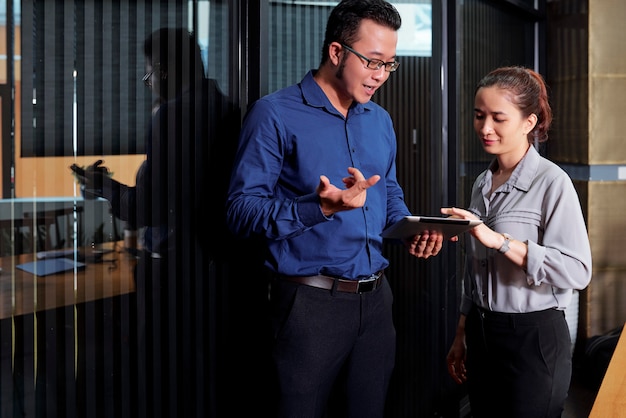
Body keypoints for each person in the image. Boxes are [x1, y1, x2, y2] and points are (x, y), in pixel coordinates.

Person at [225, 1, 443, 416]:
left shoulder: (379, 120)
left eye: (389, 65)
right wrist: (318, 208)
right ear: (337, 52)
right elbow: (240, 212)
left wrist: (410, 228)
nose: (381, 75)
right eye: (373, 61)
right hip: (308, 307)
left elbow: (388, 195)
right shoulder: (274, 114)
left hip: (376, 303)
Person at [76, 27, 239, 416]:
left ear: (164, 71)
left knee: (166, 377)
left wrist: (103, 187)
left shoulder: (172, 116)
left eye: (148, 74)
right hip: (221, 273)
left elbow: (147, 209)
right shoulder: (230, 109)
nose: (148, 83)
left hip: (176, 273)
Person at [443, 66, 592, 418]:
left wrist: (502, 243)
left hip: (533, 337)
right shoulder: (482, 182)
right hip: (482, 332)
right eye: (479, 116)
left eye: (498, 118)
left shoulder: (553, 183)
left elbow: (578, 271)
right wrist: (462, 331)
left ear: (529, 122)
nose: (485, 128)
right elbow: (474, 269)